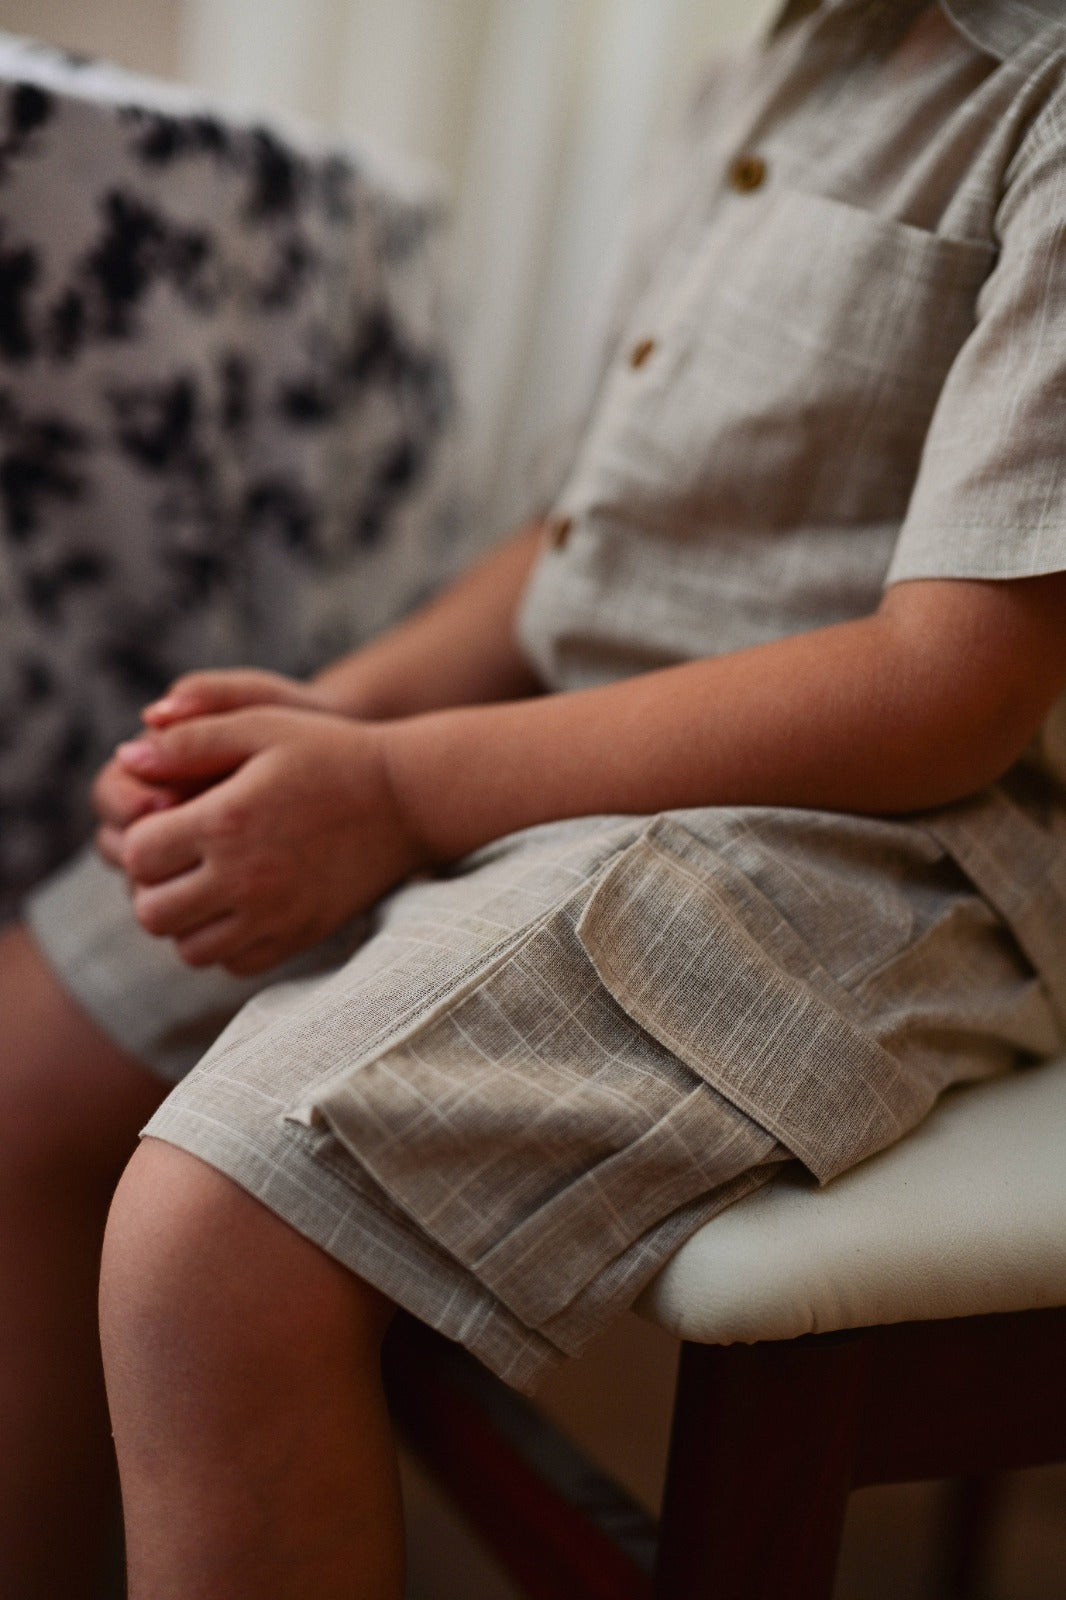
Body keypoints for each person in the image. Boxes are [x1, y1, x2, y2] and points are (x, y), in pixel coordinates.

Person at [5, 0, 1066, 1595]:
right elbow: (583, 534)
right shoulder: (775, 71)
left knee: (211, 1245)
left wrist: (397, 789)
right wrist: (328, 722)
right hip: (567, 753)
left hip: (886, 846)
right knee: (25, 1063)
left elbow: (945, 690)